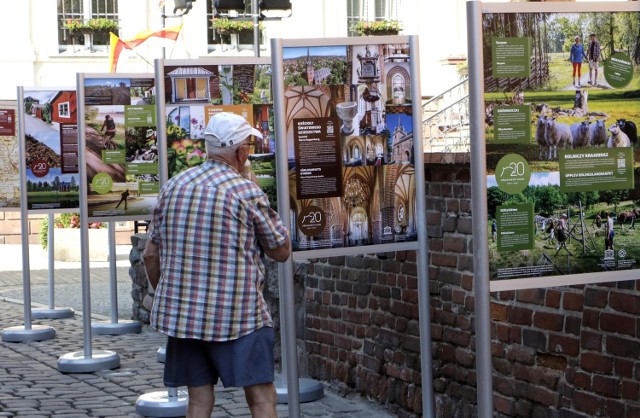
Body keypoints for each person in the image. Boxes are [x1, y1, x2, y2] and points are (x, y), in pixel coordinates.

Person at [143, 112, 290, 418]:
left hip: (185, 319)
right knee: (262, 398)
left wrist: (170, 296)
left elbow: (150, 255)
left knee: (197, 401)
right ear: (241, 152)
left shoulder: (173, 186)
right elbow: (281, 251)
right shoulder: (245, 192)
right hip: (239, 315)